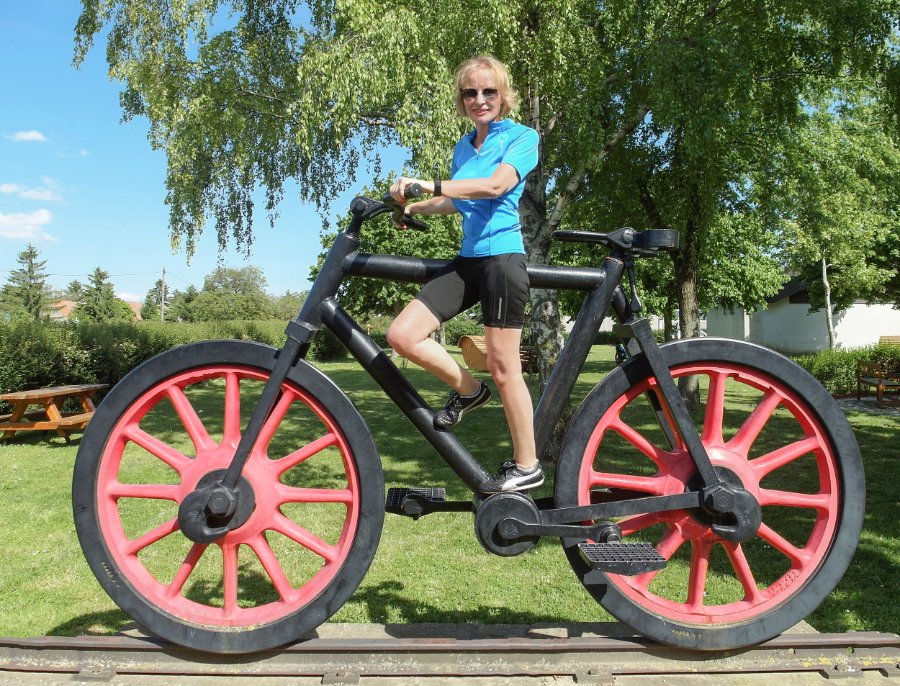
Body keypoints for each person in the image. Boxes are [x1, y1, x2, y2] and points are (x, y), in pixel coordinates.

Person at [387, 55, 542, 493]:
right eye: (470, 92)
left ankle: (527, 465)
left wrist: (429, 184)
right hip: (468, 260)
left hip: (502, 259)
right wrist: (413, 205)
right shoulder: (463, 147)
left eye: (489, 91)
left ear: (503, 95)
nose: (480, 99)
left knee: (503, 366)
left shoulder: (522, 137)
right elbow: (458, 199)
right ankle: (471, 391)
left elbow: (494, 186)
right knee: (402, 335)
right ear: (461, 99)